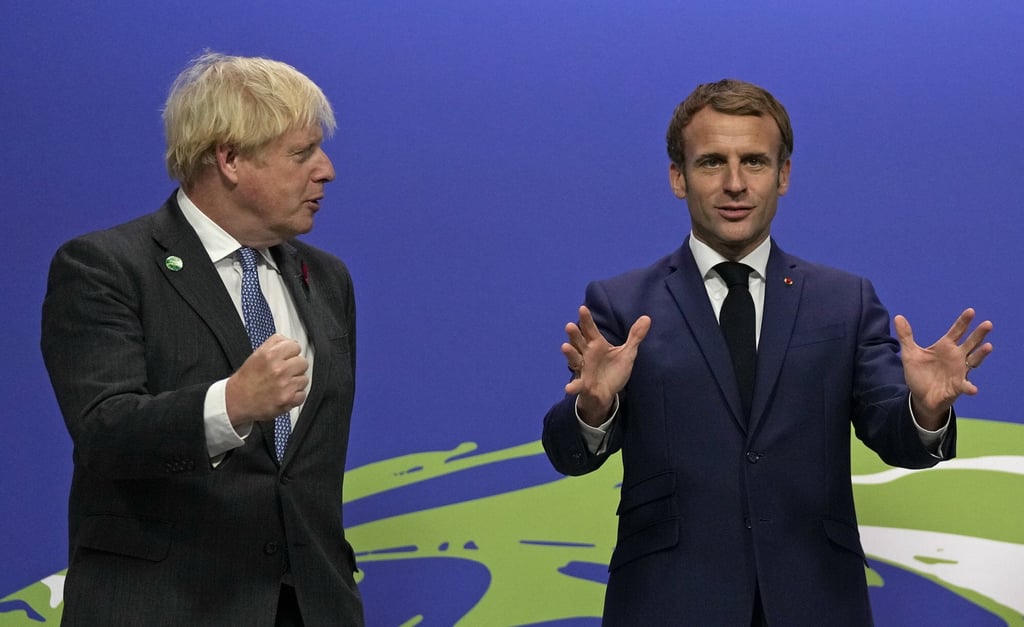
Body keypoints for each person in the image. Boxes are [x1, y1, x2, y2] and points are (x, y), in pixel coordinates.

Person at [541, 79, 993, 626]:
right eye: (711, 163)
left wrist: (925, 411)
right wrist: (593, 410)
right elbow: (569, 454)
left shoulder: (843, 301)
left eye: (754, 162)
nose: (735, 184)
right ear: (677, 178)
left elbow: (899, 439)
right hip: (667, 602)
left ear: (783, 176)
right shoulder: (621, 303)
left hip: (816, 601)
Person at [41, 52, 363, 626]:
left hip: (310, 607)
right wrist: (231, 405)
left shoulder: (327, 279)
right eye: (301, 153)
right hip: (166, 606)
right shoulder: (106, 268)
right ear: (230, 158)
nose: (327, 169)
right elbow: (103, 430)